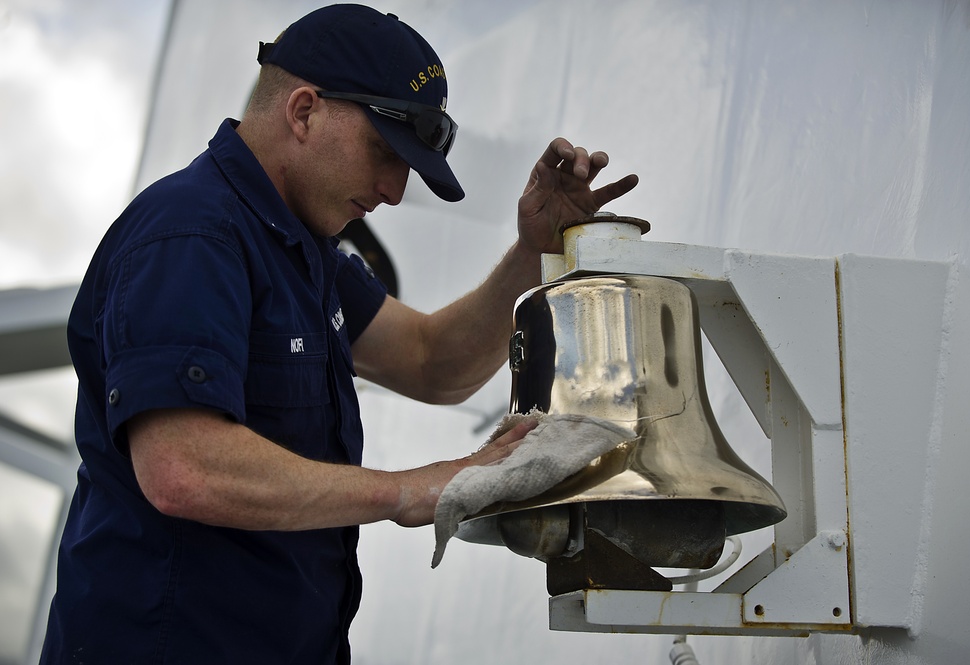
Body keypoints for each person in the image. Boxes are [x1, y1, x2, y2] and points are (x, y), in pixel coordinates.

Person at [39, 4, 638, 663]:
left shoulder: (305, 252)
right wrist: (412, 487)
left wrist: (533, 251)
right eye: (385, 152)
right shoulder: (192, 233)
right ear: (303, 111)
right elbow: (185, 467)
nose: (394, 190)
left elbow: (432, 361)